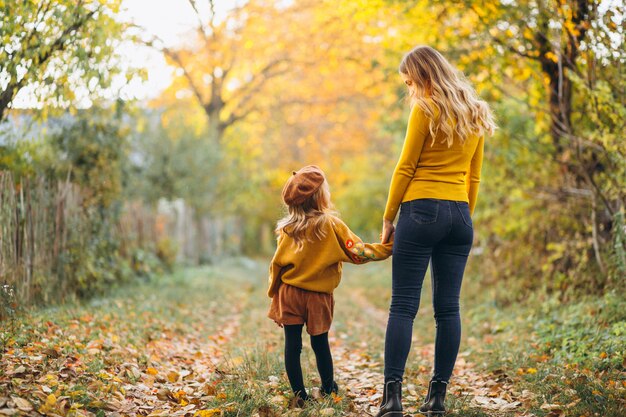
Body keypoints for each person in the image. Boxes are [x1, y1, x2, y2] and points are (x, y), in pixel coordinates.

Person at [375, 46, 496, 417]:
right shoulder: (476, 111)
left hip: (420, 210)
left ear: (425, 76)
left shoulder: (425, 109)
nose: (410, 89)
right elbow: (474, 176)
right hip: (460, 215)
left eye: (412, 81)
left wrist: (389, 216)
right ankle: (437, 398)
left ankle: (392, 398)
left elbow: (405, 166)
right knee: (448, 309)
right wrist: (462, 216)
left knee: (403, 305)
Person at [267, 165, 394, 408]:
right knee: (320, 343)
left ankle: (300, 395)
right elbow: (358, 252)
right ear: (319, 196)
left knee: (292, 346)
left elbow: (277, 266)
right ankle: (327, 388)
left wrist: (274, 297)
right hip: (318, 297)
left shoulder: (286, 229)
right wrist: (388, 248)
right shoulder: (330, 224)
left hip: (289, 294)